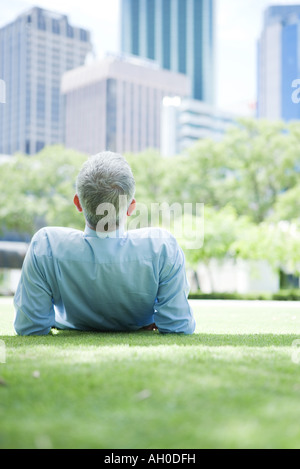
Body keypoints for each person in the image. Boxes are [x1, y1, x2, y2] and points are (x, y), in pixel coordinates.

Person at [14, 151, 196, 336]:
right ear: (131, 207)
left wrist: (59, 321)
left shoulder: (45, 245)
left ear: (78, 203)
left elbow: (30, 327)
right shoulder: (163, 247)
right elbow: (177, 327)